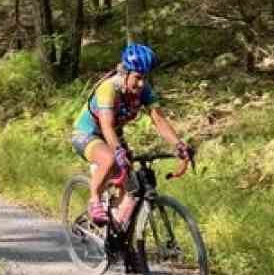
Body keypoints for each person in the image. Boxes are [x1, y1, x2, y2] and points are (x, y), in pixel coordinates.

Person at [71, 42, 193, 227]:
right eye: (137, 77)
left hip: (113, 135)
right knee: (110, 160)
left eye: (145, 77)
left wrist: (178, 145)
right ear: (125, 73)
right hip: (88, 133)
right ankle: (94, 200)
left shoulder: (143, 90)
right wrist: (118, 151)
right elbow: (107, 126)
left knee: (131, 186)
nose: (142, 83)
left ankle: (117, 232)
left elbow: (159, 120)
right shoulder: (108, 88)